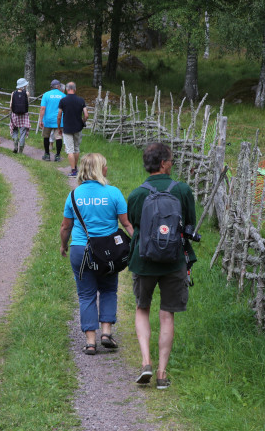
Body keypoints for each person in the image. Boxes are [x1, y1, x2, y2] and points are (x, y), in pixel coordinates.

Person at [127, 142, 197, 389]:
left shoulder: (136, 195)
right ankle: (162, 373)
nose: (173, 162)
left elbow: (135, 225)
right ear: (163, 163)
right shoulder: (182, 191)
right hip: (174, 260)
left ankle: (145, 361)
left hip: (143, 261)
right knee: (167, 314)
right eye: (171, 159)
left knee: (142, 308)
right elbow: (189, 225)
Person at [60, 153, 133, 355]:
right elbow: (126, 224)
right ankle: (106, 333)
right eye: (105, 165)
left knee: (86, 295)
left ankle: (90, 342)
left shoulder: (74, 195)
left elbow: (66, 227)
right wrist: (138, 244)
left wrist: (63, 246)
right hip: (108, 253)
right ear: (100, 170)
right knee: (109, 290)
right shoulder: (114, 193)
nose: (107, 169)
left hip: (81, 250)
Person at [57, 82, 89, 177]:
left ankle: (73, 171)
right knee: (76, 148)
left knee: (70, 150)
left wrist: (59, 127)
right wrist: (82, 121)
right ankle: (75, 167)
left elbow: (59, 116)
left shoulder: (63, 100)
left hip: (67, 128)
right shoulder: (81, 100)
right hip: (78, 127)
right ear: (75, 89)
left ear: (67, 89)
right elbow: (86, 115)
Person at [39, 79, 65, 161]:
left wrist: (40, 120)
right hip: (59, 121)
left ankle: (47, 155)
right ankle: (57, 156)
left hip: (48, 120)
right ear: (58, 86)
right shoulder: (63, 96)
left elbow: (43, 108)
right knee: (59, 137)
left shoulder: (46, 95)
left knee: (46, 137)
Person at [9, 78, 30, 154]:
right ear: (23, 85)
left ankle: (15, 142)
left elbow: (11, 105)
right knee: (23, 132)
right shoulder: (27, 93)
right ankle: (20, 150)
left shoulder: (13, 93)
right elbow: (27, 103)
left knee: (15, 130)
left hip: (15, 115)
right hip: (24, 115)